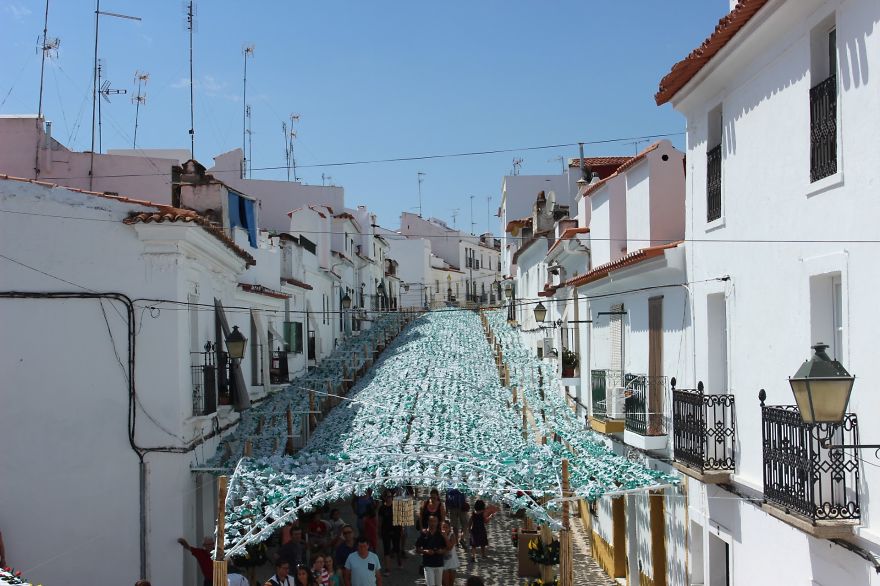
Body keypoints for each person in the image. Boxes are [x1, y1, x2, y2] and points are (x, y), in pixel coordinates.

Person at [415, 516, 446, 586]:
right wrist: (425, 551)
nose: (433, 523)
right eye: (431, 521)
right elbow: (417, 549)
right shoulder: (424, 534)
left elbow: (446, 548)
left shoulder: (441, 534)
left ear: (437, 523)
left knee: (439, 584)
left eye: (435, 521)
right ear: (428, 522)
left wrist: (441, 551)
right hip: (428, 564)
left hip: (439, 564)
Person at [378, 491, 402, 575]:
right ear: (384, 498)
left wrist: (401, 530)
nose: (390, 498)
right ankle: (387, 569)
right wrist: (379, 531)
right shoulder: (382, 508)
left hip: (396, 530)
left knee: (397, 548)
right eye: (388, 496)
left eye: (391, 496)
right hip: (386, 531)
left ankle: (399, 562)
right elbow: (380, 521)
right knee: (386, 549)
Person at [440, 519, 459, 586]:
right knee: (445, 583)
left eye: (446, 527)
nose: (445, 529)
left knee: (451, 582)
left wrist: (445, 537)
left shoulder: (452, 535)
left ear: (449, 528)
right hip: (443, 563)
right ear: (441, 528)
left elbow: (450, 547)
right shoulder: (439, 536)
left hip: (452, 562)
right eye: (443, 527)